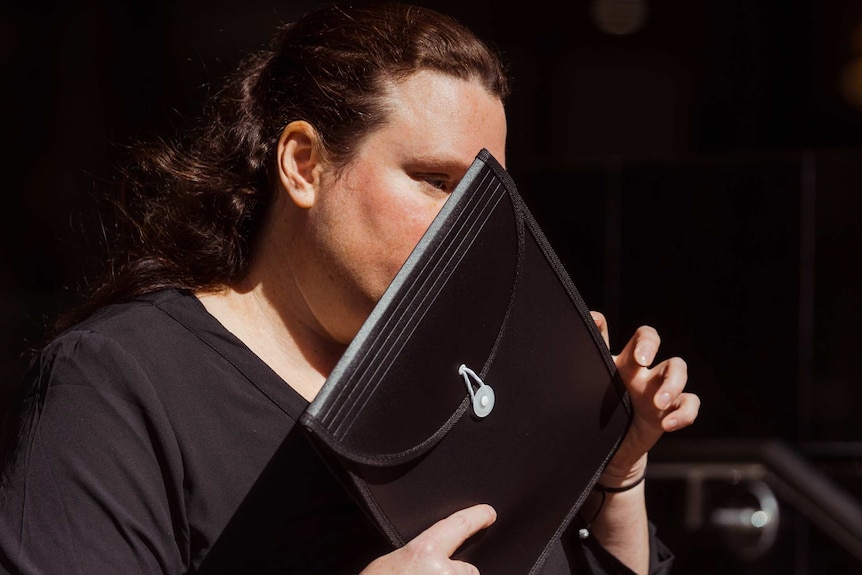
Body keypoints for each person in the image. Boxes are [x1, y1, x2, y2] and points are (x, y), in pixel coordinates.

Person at [0, 2, 700, 574]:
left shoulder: (472, 382)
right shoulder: (125, 380)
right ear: (303, 164)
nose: (471, 228)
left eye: (488, 197)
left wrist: (613, 478)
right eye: (434, 181)